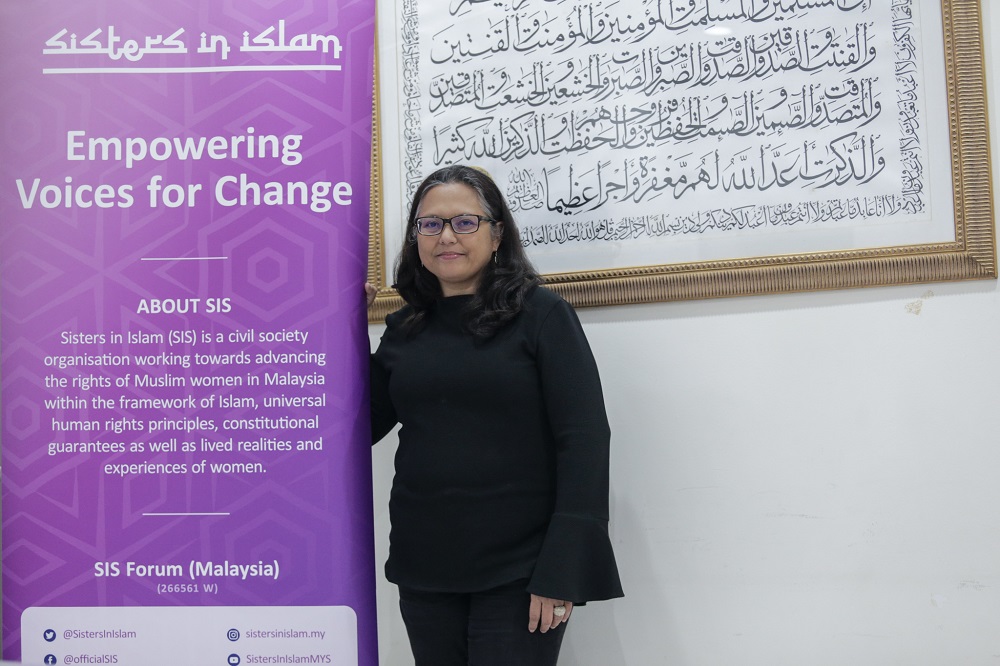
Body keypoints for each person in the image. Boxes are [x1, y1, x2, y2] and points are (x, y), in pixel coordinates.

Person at [369, 165, 623, 665]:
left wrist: (563, 569)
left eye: (465, 222)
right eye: (430, 224)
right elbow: (358, 428)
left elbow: (585, 440)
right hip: (425, 568)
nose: (446, 237)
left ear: (497, 233)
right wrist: (336, 327)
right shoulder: (403, 329)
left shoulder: (542, 316)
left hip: (521, 571)